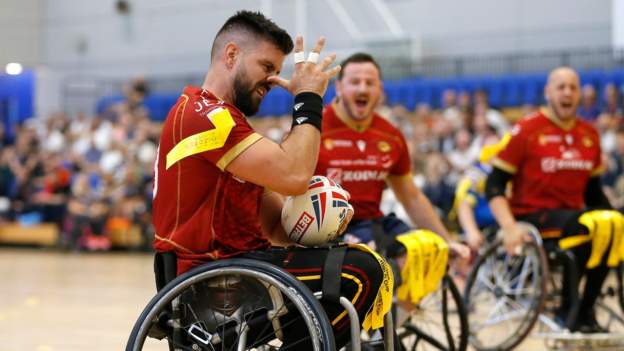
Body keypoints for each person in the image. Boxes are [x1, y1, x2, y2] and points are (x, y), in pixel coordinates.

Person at [151, 11, 390, 348]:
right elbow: (293, 176)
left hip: (240, 270)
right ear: (231, 55)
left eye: (278, 72)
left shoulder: (225, 123)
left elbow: (278, 228)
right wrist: (308, 99)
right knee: (361, 271)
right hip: (213, 280)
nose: (273, 81)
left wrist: (323, 218)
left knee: (355, 257)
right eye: (266, 68)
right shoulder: (205, 116)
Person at [486, 67, 613, 332]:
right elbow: (494, 183)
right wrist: (509, 226)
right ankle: (568, 309)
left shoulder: (589, 135)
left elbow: (594, 194)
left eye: (573, 87)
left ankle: (585, 311)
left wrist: (615, 220)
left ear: (580, 94)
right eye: (561, 87)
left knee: (611, 226)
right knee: (586, 225)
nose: (567, 93)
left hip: (574, 217)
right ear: (548, 92)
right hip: (533, 216)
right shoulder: (527, 130)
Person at [315, 52, 470, 262]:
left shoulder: (391, 136)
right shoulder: (314, 128)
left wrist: (446, 240)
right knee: (368, 259)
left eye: (370, 83)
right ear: (339, 88)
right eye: (355, 82)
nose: (362, 88)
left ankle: (409, 295)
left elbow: (412, 197)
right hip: (325, 230)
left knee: (426, 251)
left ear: (380, 90)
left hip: (372, 223)